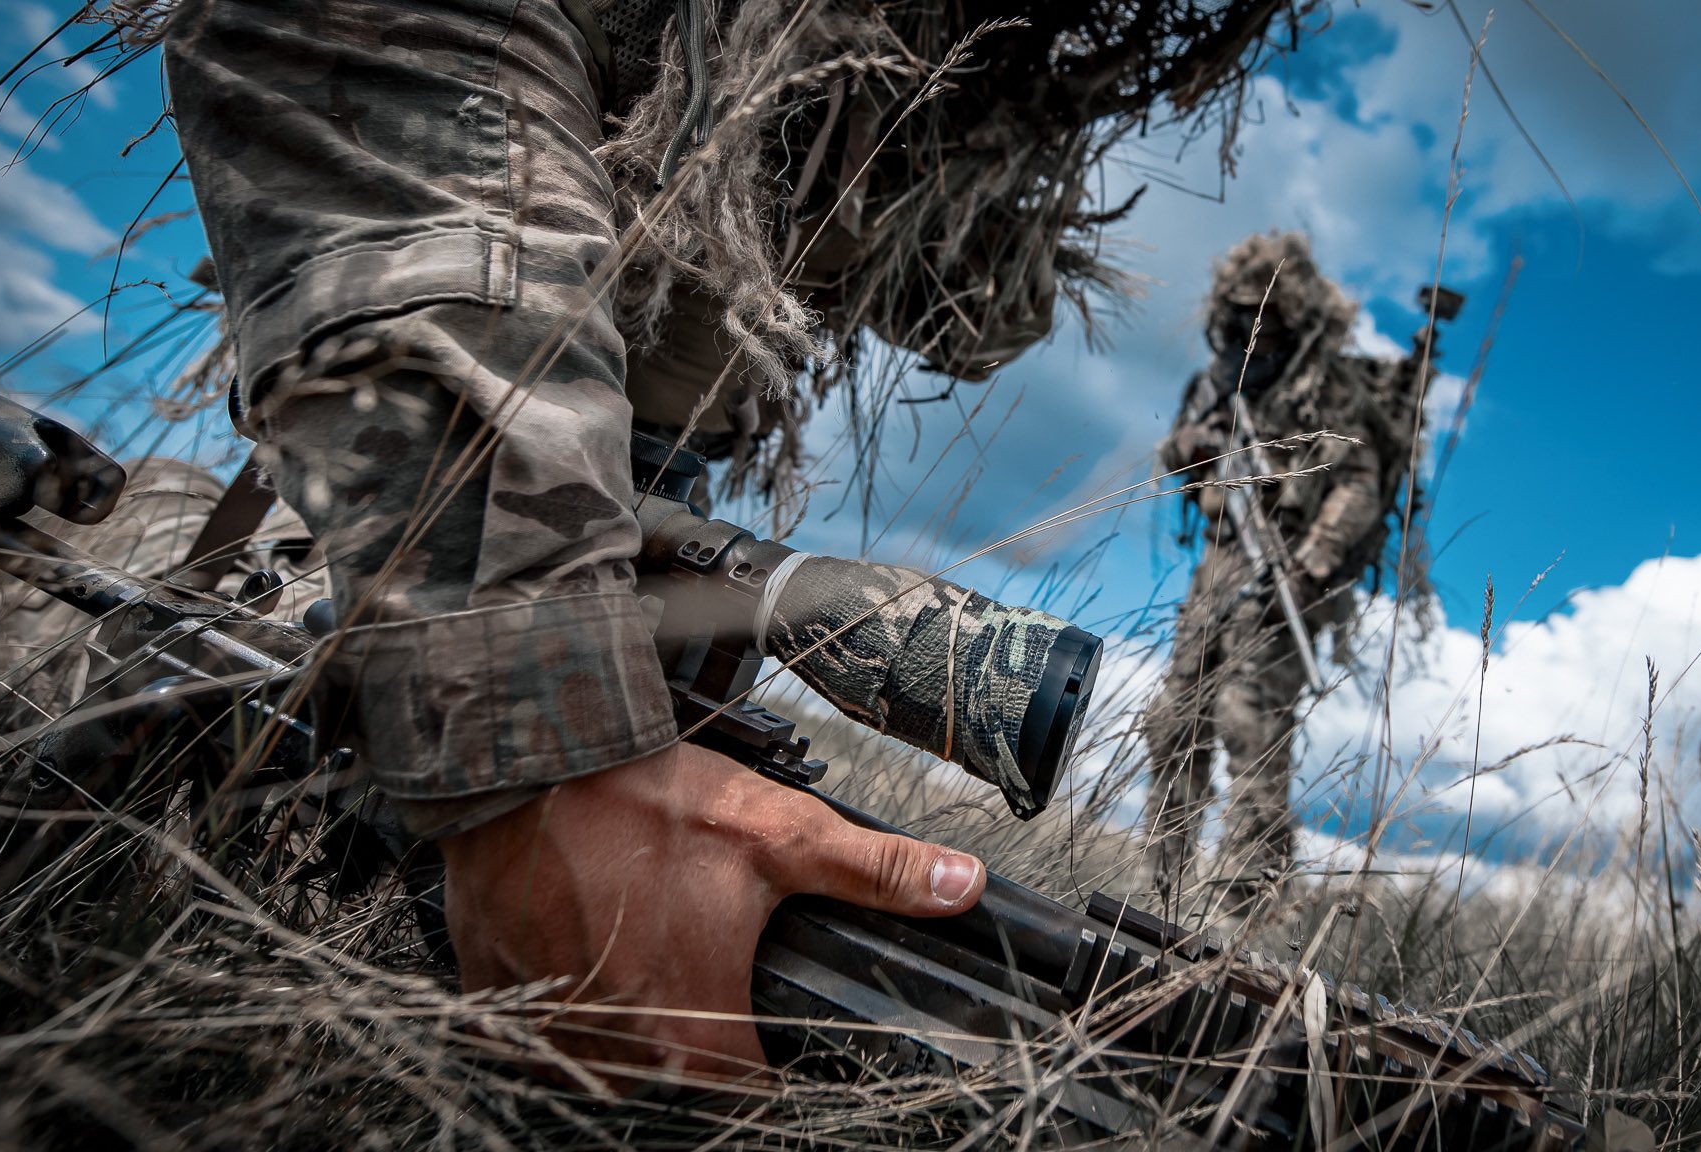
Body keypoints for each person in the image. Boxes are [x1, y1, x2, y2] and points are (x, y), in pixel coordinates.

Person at [137, 0, 1310, 1087]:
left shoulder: (973, 60)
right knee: (258, 719)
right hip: (451, 405)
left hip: (650, 445)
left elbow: (972, 325)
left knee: (439, 826)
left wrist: (969, 166)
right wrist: (540, 738)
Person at [1142, 232, 1448, 912]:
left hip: (1286, 568)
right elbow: (1177, 450)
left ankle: (1245, 905)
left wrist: (1312, 564)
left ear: (1295, 316)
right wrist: (1192, 447)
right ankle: (1161, 884)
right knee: (1173, 719)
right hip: (1220, 564)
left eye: (1265, 315)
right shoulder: (1218, 379)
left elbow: (1360, 481)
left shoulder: (1324, 385)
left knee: (1249, 721)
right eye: (1241, 312)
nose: (1251, 328)